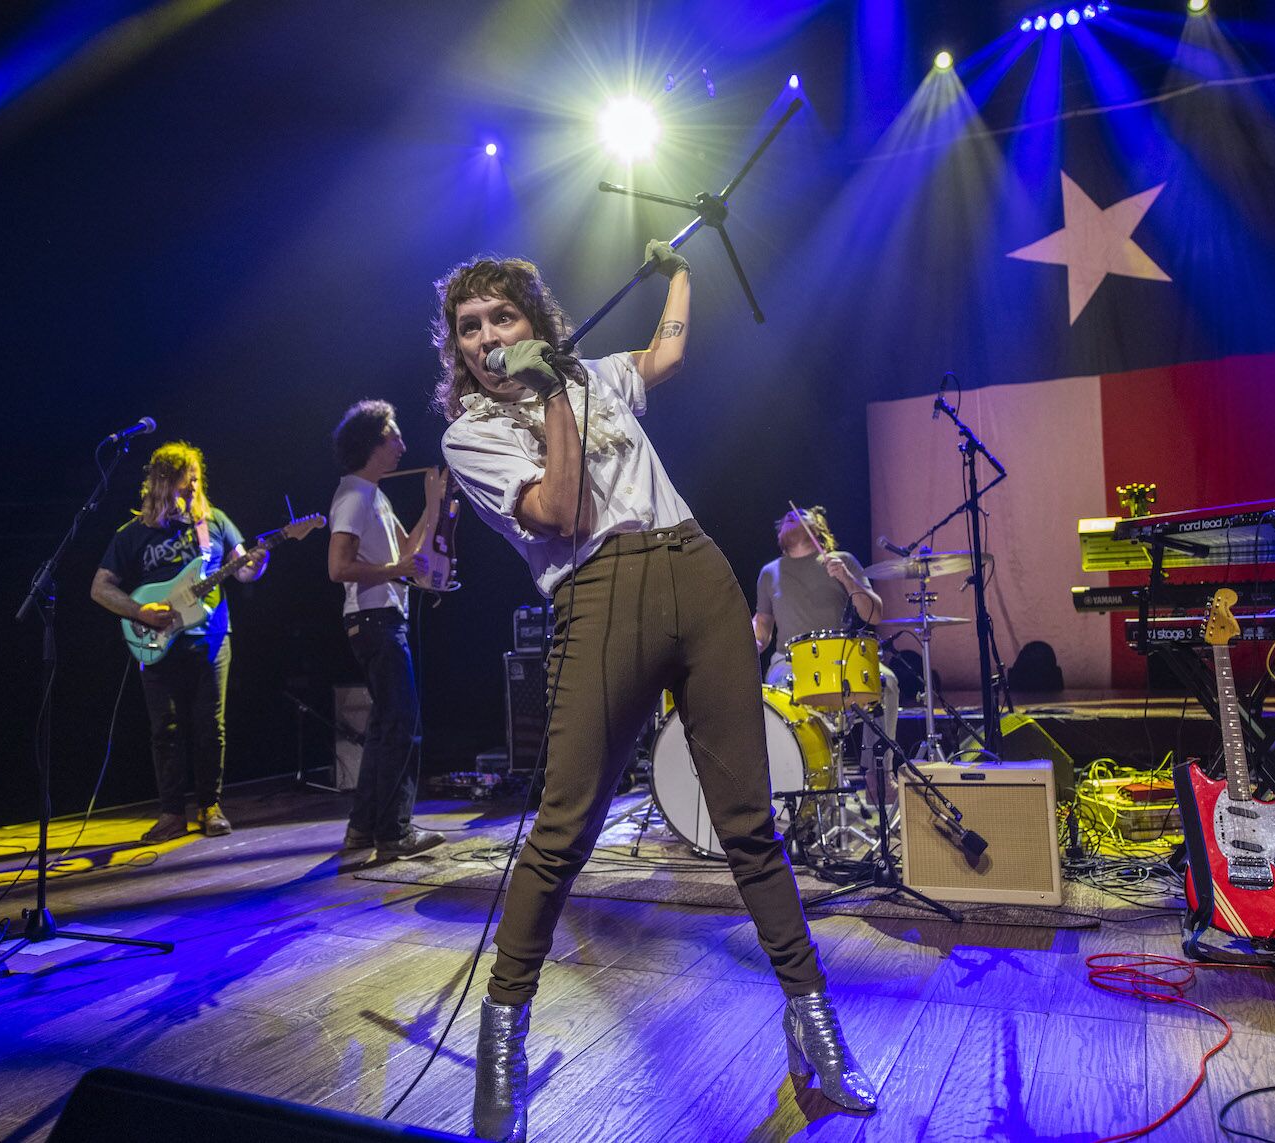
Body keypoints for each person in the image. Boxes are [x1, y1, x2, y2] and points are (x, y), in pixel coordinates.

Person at [435, 245, 877, 1142]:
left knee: (748, 822)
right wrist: (551, 387)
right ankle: (503, 1038)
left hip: (698, 571)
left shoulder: (596, 373)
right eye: (469, 328)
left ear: (535, 321)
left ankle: (813, 1021)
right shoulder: (470, 434)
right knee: (561, 833)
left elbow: (666, 353)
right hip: (599, 593)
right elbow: (562, 513)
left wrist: (679, 269)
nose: (487, 337)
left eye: (502, 319)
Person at [91, 441, 267, 843]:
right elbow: (100, 588)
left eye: (196, 482)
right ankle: (171, 813)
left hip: (211, 640)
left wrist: (259, 563)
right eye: (186, 483)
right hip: (156, 643)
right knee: (164, 730)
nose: (193, 490)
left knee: (211, 727)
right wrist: (139, 612)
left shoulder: (216, 523)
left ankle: (210, 806)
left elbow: (243, 571)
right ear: (162, 483)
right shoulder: (131, 535)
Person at [327, 400, 448, 860]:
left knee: (384, 727)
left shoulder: (373, 494)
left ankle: (363, 828)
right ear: (373, 443)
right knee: (402, 726)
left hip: (381, 619)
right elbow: (338, 568)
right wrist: (396, 567)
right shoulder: (355, 496)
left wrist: (433, 504)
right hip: (375, 620)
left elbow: (409, 552)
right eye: (393, 436)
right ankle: (393, 832)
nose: (402, 444)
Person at [753, 505, 898, 790]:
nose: (792, 516)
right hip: (791, 662)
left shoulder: (842, 561)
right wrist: (751, 640)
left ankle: (878, 773)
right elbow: (763, 627)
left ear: (819, 527)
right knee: (777, 695)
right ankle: (795, 783)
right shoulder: (769, 573)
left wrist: (846, 578)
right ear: (780, 534)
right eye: (787, 518)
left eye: (801, 514)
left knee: (887, 682)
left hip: (841, 660)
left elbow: (874, 615)